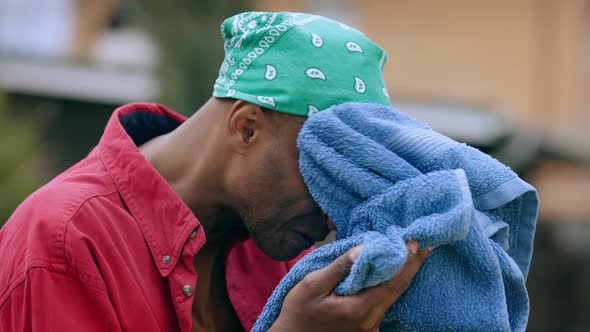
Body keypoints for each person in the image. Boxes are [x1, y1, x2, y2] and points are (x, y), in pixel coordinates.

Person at [0, 12, 431, 332]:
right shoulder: (63, 241)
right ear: (246, 127)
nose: (334, 214)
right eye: (322, 174)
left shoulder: (281, 247)